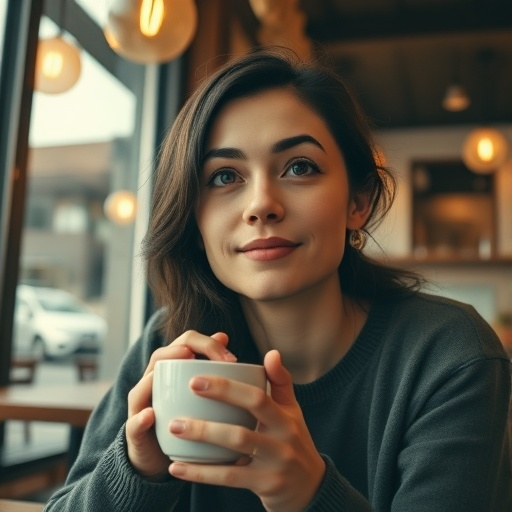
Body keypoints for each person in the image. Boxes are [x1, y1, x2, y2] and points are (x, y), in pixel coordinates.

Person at [44, 48, 511, 511]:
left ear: (358, 202)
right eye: (225, 176)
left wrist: (309, 494)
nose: (260, 204)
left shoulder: (450, 355)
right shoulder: (170, 345)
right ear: (193, 217)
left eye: (299, 167)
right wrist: (136, 471)